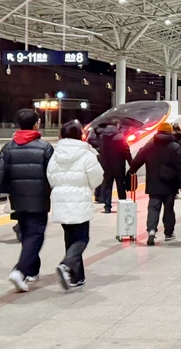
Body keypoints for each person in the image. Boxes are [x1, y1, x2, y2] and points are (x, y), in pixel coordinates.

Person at [0, 109, 54, 292]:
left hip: (17, 200)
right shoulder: (45, 147)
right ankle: (19, 271)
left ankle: (31, 270)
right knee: (35, 235)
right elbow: (53, 176)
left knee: (27, 234)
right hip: (38, 200)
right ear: (37, 123)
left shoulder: (8, 148)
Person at [47, 121, 103, 290]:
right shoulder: (87, 155)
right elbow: (97, 177)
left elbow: (50, 177)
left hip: (61, 199)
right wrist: (88, 187)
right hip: (79, 198)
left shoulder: (56, 154)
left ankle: (76, 277)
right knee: (81, 238)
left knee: (70, 237)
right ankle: (66, 265)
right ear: (81, 135)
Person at [128, 123, 181, 246]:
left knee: (153, 208)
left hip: (153, 183)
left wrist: (131, 172)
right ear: (170, 132)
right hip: (170, 184)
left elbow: (136, 161)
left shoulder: (149, 146)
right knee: (169, 209)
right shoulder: (175, 146)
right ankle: (169, 233)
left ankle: (151, 231)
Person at [99, 118, 132, 213]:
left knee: (107, 185)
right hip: (119, 164)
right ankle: (122, 205)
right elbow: (126, 150)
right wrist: (131, 163)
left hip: (106, 165)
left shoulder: (102, 136)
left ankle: (107, 207)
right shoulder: (120, 137)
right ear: (117, 125)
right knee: (120, 185)